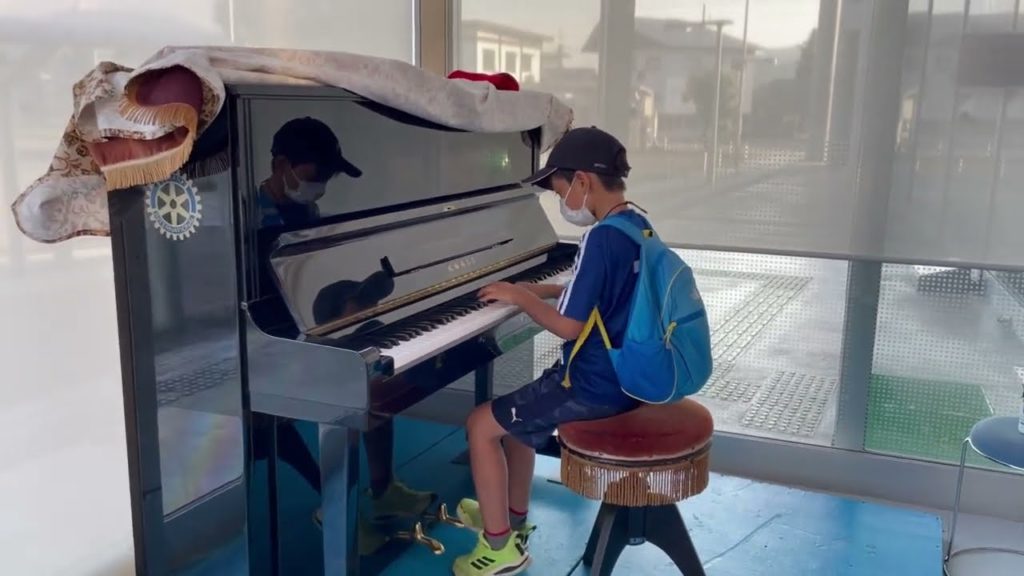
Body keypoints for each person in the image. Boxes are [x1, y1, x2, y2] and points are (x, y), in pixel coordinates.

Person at [451, 127, 646, 576]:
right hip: (624, 376)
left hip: (594, 384)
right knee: (519, 427)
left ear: (582, 180)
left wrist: (522, 300)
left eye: (559, 188)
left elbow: (570, 325)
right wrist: (538, 288)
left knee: (481, 425)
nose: (562, 200)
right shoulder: (634, 225)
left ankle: (499, 547)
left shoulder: (599, 238)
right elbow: (596, 290)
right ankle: (512, 520)